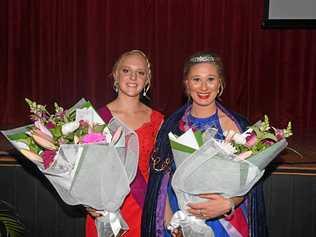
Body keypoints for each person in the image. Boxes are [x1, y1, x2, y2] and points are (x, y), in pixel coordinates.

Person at [142, 51, 268, 237]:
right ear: (186, 84)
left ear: (220, 83)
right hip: (181, 221)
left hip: (224, 221)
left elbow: (248, 182)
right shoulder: (172, 126)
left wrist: (229, 203)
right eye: (196, 79)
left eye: (210, 79)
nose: (203, 87)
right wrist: (170, 222)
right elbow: (161, 183)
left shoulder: (237, 125)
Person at [85, 49, 164, 237]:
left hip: (145, 208)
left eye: (140, 73)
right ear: (115, 74)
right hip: (105, 211)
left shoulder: (158, 120)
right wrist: (87, 203)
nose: (133, 77)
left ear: (147, 80)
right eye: (126, 70)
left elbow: (163, 173)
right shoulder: (95, 119)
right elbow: (84, 170)